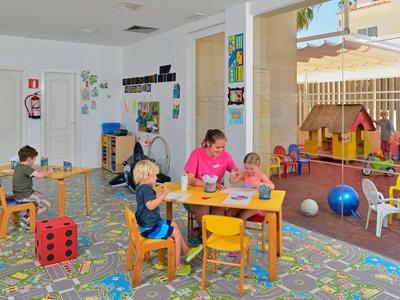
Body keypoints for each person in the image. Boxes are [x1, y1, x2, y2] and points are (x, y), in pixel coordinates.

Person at [133, 160, 203, 276]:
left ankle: (186, 251)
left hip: (148, 223)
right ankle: (177, 266)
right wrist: (163, 194)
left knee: (174, 224)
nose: (156, 177)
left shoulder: (141, 187)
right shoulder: (147, 189)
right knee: (176, 233)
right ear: (147, 176)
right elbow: (150, 206)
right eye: (155, 175)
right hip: (150, 228)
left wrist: (154, 187)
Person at [184, 129, 240, 232]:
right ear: (208, 143)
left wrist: (247, 173)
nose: (220, 150)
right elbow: (190, 179)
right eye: (217, 147)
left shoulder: (226, 156)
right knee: (204, 209)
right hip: (195, 195)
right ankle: (207, 238)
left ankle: (211, 236)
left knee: (218, 213)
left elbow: (236, 172)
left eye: (223, 147)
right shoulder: (197, 153)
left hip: (215, 195)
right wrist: (209, 184)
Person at [12, 145, 53, 229]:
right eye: (34, 159)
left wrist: (40, 170)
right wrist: (50, 171)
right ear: (29, 159)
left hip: (19, 194)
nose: (34, 161)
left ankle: (29, 216)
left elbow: (35, 172)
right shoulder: (26, 168)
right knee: (45, 206)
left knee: (39, 196)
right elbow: (40, 175)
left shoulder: (19, 166)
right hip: (24, 196)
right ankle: (26, 220)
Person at [226, 152, 275, 221]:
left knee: (242, 217)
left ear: (259, 166)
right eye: (246, 168)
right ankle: (230, 230)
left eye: (252, 169)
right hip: (243, 201)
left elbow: (272, 186)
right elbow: (233, 181)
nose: (249, 171)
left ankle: (241, 231)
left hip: (255, 204)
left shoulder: (261, 175)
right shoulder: (244, 173)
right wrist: (232, 175)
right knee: (229, 213)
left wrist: (259, 184)